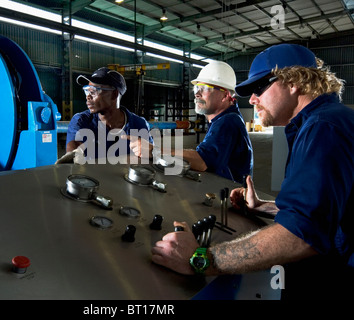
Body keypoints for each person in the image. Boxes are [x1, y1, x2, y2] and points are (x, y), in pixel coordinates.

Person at [151, 44, 354, 300]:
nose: (253, 99)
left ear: (293, 82)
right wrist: (267, 207)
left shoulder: (323, 128)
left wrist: (201, 259)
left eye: (259, 88)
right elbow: (329, 211)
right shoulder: (327, 122)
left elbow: (301, 237)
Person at [128, 60, 253, 184]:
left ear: (225, 95)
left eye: (204, 88)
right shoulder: (224, 119)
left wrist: (153, 150)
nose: (197, 94)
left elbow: (202, 161)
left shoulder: (228, 121)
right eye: (196, 88)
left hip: (230, 196)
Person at [57, 67, 152, 164]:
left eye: (93, 91)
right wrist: (74, 153)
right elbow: (75, 145)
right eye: (87, 91)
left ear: (114, 94)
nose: (88, 96)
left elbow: (151, 158)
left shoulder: (139, 124)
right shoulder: (81, 121)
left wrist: (152, 153)